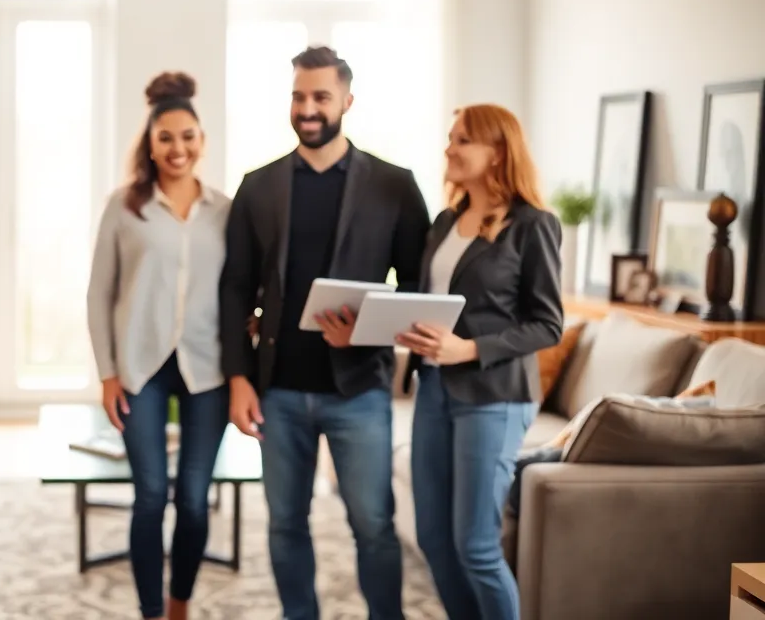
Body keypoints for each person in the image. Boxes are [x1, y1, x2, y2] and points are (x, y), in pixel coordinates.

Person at [220, 45, 431, 620]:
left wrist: (369, 331)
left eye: (320, 97)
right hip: (278, 390)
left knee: (373, 525)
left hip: (360, 388)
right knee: (286, 523)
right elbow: (234, 289)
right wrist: (238, 378)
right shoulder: (257, 187)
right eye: (298, 96)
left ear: (347, 101)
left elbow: (418, 288)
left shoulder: (396, 186)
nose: (307, 108)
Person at [396, 103, 563, 620]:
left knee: (476, 546)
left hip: (495, 397)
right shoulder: (446, 221)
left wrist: (469, 349)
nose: (449, 147)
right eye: (450, 137)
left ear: (497, 152)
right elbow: (430, 299)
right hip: (435, 390)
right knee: (433, 538)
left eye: (462, 139)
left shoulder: (532, 225)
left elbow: (548, 323)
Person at [87, 72, 232, 620]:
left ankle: (179, 606)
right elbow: (99, 293)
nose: (178, 148)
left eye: (188, 136)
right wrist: (107, 372)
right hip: (140, 369)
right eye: (166, 137)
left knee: (194, 501)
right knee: (150, 497)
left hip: (208, 369)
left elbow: (242, 289)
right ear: (150, 142)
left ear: (202, 139)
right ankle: (151, 611)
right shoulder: (124, 206)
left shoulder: (225, 209)